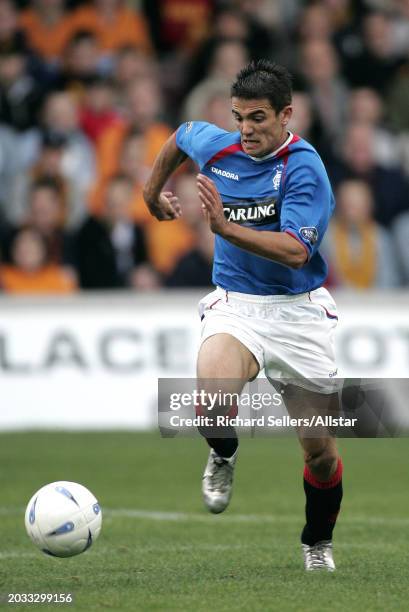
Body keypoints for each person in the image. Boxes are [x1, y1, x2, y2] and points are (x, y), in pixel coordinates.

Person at [143, 60, 342, 572]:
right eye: (239, 117)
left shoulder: (304, 168)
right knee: (209, 404)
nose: (247, 129)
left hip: (297, 315)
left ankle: (317, 542)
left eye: (258, 118)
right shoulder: (219, 146)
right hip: (238, 306)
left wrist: (226, 229)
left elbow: (297, 251)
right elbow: (183, 137)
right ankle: (224, 454)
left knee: (319, 453)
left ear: (286, 115)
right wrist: (150, 192)